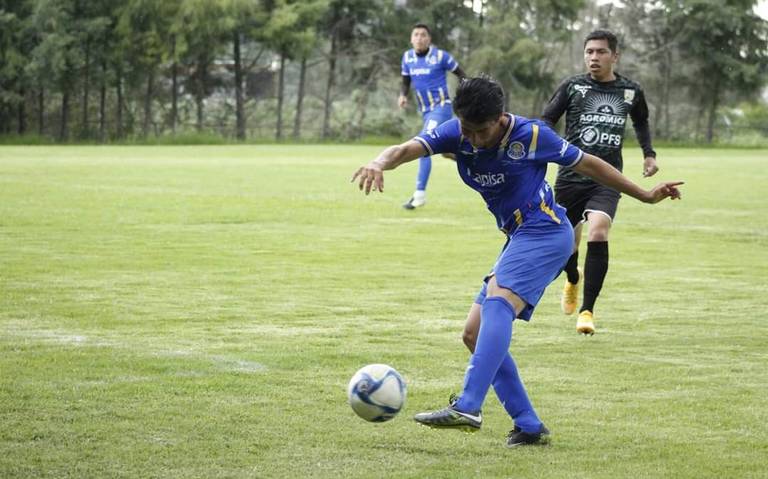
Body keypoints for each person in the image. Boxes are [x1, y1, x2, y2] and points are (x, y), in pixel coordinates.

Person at [351, 76, 682, 447]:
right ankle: (528, 424)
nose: (473, 139)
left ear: (501, 117)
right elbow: (407, 149)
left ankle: (469, 405)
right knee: (473, 334)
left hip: (546, 231)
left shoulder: (533, 135)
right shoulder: (455, 131)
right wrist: (378, 162)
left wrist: (645, 195)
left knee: (498, 302)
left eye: (481, 131)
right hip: (519, 237)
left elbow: (592, 165)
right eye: (466, 129)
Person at [541, 30, 659, 335]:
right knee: (568, 243)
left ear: (614, 56)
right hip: (569, 177)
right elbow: (545, 120)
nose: (594, 57)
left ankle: (587, 311)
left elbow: (641, 121)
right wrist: (547, 149)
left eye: (601, 52)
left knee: (599, 231)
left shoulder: (630, 91)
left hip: (607, 177)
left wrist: (649, 154)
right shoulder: (572, 86)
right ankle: (573, 278)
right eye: (589, 52)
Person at [399, 23, 466, 210]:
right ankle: (477, 160)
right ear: (411, 39)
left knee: (423, 143)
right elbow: (406, 81)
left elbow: (462, 75)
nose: (419, 38)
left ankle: (419, 195)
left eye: (423, 35)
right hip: (426, 111)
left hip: (442, 107)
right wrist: (403, 95)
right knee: (446, 151)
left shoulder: (440, 56)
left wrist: (467, 95)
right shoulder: (407, 58)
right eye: (416, 35)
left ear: (429, 39)